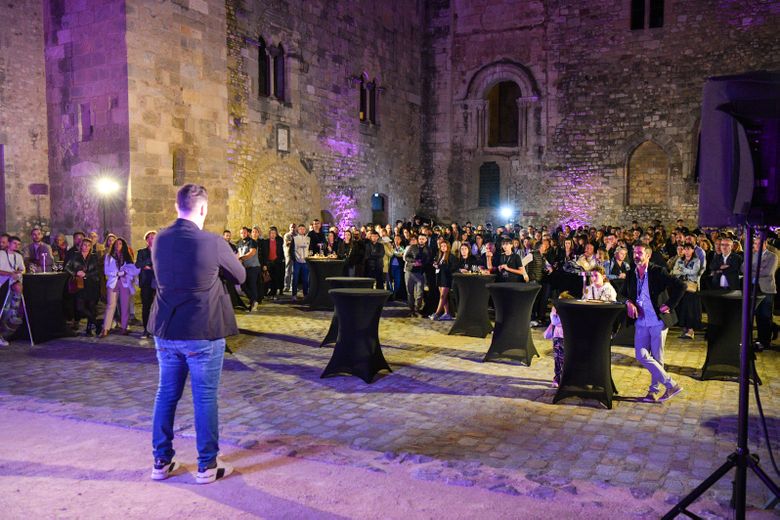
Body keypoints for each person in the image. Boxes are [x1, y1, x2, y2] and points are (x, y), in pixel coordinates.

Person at [148, 184, 245, 484]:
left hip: (166, 329)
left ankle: (161, 461)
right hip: (202, 330)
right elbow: (239, 275)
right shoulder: (213, 242)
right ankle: (207, 465)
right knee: (204, 397)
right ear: (203, 208)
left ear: (176, 207)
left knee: (166, 394)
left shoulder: (159, 239)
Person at [622, 244, 686, 403]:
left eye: (639, 253)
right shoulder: (631, 273)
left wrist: (670, 305)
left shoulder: (658, 271)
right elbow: (621, 294)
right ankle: (672, 385)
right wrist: (628, 302)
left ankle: (653, 391)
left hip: (657, 320)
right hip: (641, 321)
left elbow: (681, 286)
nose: (636, 255)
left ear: (648, 255)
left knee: (657, 357)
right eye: (634, 252)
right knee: (641, 355)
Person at [99, 237, 139, 337]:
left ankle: (124, 328)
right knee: (110, 305)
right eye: (116, 243)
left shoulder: (127, 257)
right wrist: (117, 273)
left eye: (120, 243)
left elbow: (133, 269)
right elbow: (106, 271)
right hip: (113, 282)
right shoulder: (109, 256)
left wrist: (126, 272)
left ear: (123, 245)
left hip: (125, 283)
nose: (118, 245)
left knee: (125, 306)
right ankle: (105, 328)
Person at [744, 235, 778, 350]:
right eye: (755, 243)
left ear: (765, 244)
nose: (756, 246)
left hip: (766, 289)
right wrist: (758, 269)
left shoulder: (772, 256)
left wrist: (751, 269)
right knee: (756, 315)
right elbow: (743, 268)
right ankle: (759, 339)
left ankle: (765, 341)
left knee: (765, 316)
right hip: (753, 288)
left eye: (759, 244)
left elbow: (767, 272)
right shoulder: (751, 255)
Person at [64, 238, 100, 336]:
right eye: (84, 245)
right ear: (81, 246)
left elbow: (97, 270)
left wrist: (86, 274)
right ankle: (97, 323)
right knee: (80, 307)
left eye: (88, 245)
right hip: (79, 284)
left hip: (92, 283)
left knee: (91, 307)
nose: (86, 247)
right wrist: (75, 273)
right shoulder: (75, 256)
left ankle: (89, 329)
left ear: (91, 247)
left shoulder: (94, 256)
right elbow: (67, 267)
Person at [672, 243, 702, 340]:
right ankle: (685, 330)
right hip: (681, 287)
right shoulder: (680, 260)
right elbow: (674, 271)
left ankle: (690, 331)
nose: (687, 251)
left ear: (693, 250)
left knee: (690, 309)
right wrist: (684, 270)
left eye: (689, 249)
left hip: (691, 288)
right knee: (682, 308)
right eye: (685, 249)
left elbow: (694, 272)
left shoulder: (696, 260)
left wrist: (682, 269)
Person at [544, 291, 574, 388]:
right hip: (557, 337)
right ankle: (557, 378)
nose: (558, 303)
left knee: (565, 358)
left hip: (567, 338)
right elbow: (555, 322)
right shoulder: (557, 310)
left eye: (560, 300)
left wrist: (553, 312)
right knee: (557, 358)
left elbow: (557, 322)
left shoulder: (567, 312)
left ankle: (566, 378)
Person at [0, 236, 26, 346]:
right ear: (9, 243)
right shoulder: (1, 254)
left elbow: (23, 269)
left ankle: (14, 311)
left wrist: (18, 272)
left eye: (19, 244)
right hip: (2, 282)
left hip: (13, 282)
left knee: (18, 287)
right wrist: (10, 273)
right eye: (14, 243)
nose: (17, 246)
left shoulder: (18, 256)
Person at [404, 233, 432, 317]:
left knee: (419, 293)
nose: (421, 240)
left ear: (426, 240)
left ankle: (417, 309)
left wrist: (421, 263)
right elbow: (406, 257)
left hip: (420, 272)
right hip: (410, 271)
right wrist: (413, 262)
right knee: (410, 292)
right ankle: (411, 309)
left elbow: (429, 260)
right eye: (420, 239)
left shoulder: (428, 249)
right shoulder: (412, 247)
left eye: (423, 239)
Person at [135, 231, 157, 338]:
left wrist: (148, 267)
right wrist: (151, 258)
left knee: (157, 307)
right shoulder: (142, 252)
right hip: (146, 283)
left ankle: (155, 329)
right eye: (150, 237)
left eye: (154, 237)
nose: (152, 239)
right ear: (147, 240)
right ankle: (146, 330)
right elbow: (138, 264)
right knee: (146, 306)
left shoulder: (161, 252)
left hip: (158, 283)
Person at [430, 240, 456, 321]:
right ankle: (447, 313)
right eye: (441, 246)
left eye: (445, 246)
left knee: (442, 296)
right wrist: (435, 264)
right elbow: (437, 264)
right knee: (443, 297)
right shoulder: (439, 255)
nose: (443, 247)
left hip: (446, 278)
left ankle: (437, 313)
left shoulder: (451, 256)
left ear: (448, 247)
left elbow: (452, 268)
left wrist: (441, 266)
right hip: (439, 277)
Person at [236, 227, 261, 311]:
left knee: (252, 285)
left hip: (253, 267)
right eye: (241, 233)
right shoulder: (239, 243)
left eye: (244, 232)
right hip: (244, 268)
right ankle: (254, 300)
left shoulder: (252, 242)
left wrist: (241, 259)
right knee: (243, 286)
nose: (243, 234)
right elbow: (237, 254)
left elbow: (252, 253)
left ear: (248, 233)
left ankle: (254, 303)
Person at [261, 226, 285, 300]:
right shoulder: (265, 242)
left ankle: (273, 293)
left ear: (276, 234)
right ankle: (264, 294)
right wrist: (264, 264)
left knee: (275, 279)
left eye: (274, 233)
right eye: (271, 233)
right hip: (268, 262)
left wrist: (281, 260)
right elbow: (263, 254)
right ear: (269, 234)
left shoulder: (279, 242)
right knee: (267, 279)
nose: (273, 234)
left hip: (276, 262)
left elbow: (281, 252)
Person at [291, 224, 310, 301]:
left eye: (303, 229)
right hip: (297, 262)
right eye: (300, 229)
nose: (302, 230)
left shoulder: (308, 239)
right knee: (295, 278)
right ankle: (294, 295)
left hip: (305, 262)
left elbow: (310, 249)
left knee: (305, 279)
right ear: (298, 230)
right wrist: (294, 259)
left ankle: (305, 294)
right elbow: (291, 250)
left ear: (305, 230)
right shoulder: (294, 239)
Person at [282, 223, 295, 293]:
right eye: (291, 227)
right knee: (288, 270)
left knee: (294, 271)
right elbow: (287, 243)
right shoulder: (287, 235)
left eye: (294, 227)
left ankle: (292, 286)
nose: (293, 228)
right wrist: (293, 242)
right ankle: (286, 286)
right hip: (288, 255)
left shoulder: (297, 235)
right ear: (289, 228)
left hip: (295, 255)